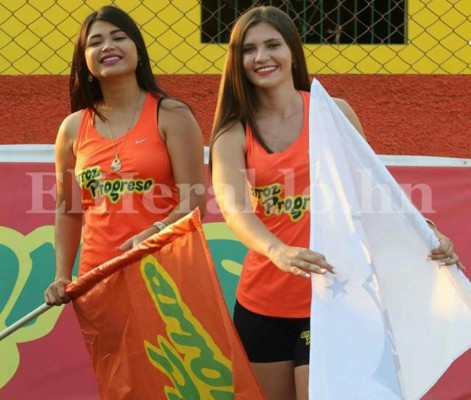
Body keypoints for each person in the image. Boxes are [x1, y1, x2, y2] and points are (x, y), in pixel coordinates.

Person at [209, 6, 461, 400]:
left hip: (336, 297)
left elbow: (374, 192)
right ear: (237, 61)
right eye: (249, 49)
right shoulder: (234, 132)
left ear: (292, 51)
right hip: (264, 303)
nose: (262, 58)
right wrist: (277, 249)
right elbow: (233, 207)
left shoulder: (332, 111)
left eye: (273, 45)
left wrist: (426, 233)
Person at [45, 5, 205, 305]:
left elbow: (194, 203)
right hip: (100, 279)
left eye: (118, 37)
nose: (107, 46)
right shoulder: (72, 128)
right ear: (84, 61)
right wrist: (62, 276)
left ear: (138, 50)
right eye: (95, 42)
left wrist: (153, 234)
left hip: (166, 273)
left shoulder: (171, 114)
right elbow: (69, 209)